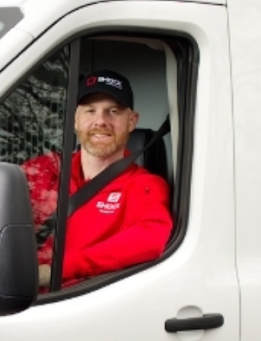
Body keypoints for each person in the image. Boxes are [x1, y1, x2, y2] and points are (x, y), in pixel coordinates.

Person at [25, 70, 173, 288]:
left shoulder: (144, 186)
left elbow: (150, 239)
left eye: (113, 111)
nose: (101, 121)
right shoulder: (44, 170)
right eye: (90, 111)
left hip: (79, 302)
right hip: (18, 298)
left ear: (132, 121)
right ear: (75, 120)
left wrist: (57, 269)